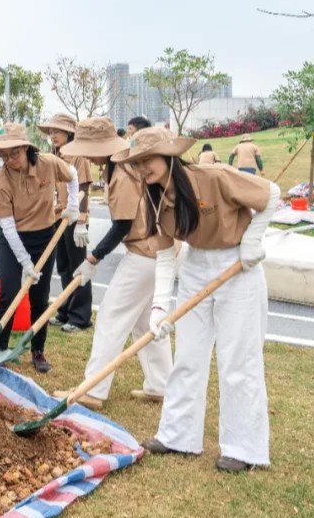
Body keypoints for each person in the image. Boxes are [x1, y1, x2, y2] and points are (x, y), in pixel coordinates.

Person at [112, 127, 279, 473]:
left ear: (169, 154)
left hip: (238, 268)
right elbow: (163, 255)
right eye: (137, 162)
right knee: (188, 355)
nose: (144, 168)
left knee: (238, 359)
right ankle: (178, 435)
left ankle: (243, 448)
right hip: (196, 266)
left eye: (148, 159)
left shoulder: (214, 176)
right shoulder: (154, 196)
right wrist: (160, 307)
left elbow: (271, 194)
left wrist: (252, 240)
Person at [50, 117, 172, 410]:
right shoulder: (117, 166)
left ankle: (93, 389)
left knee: (110, 316)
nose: (86, 155)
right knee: (144, 322)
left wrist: (93, 258)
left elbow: (122, 224)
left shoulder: (123, 172)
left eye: (89, 148)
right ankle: (161, 384)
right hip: (153, 251)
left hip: (146, 252)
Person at [0, 122, 78, 373]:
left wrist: (74, 206)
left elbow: (73, 175)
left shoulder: (48, 163)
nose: (9, 159)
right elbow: (7, 227)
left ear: (27, 148)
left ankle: (38, 350)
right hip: (12, 240)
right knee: (10, 293)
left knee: (40, 297)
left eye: (14, 153)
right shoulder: (1, 182)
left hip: (45, 236)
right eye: (4, 155)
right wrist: (25, 262)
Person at [40, 113, 94, 333]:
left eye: (57, 131)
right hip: (59, 216)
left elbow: (84, 188)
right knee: (62, 265)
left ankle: (81, 316)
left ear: (69, 133)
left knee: (77, 267)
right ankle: (64, 310)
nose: (53, 135)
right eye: (51, 132)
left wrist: (81, 221)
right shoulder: (54, 155)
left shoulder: (78, 156)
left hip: (75, 219)